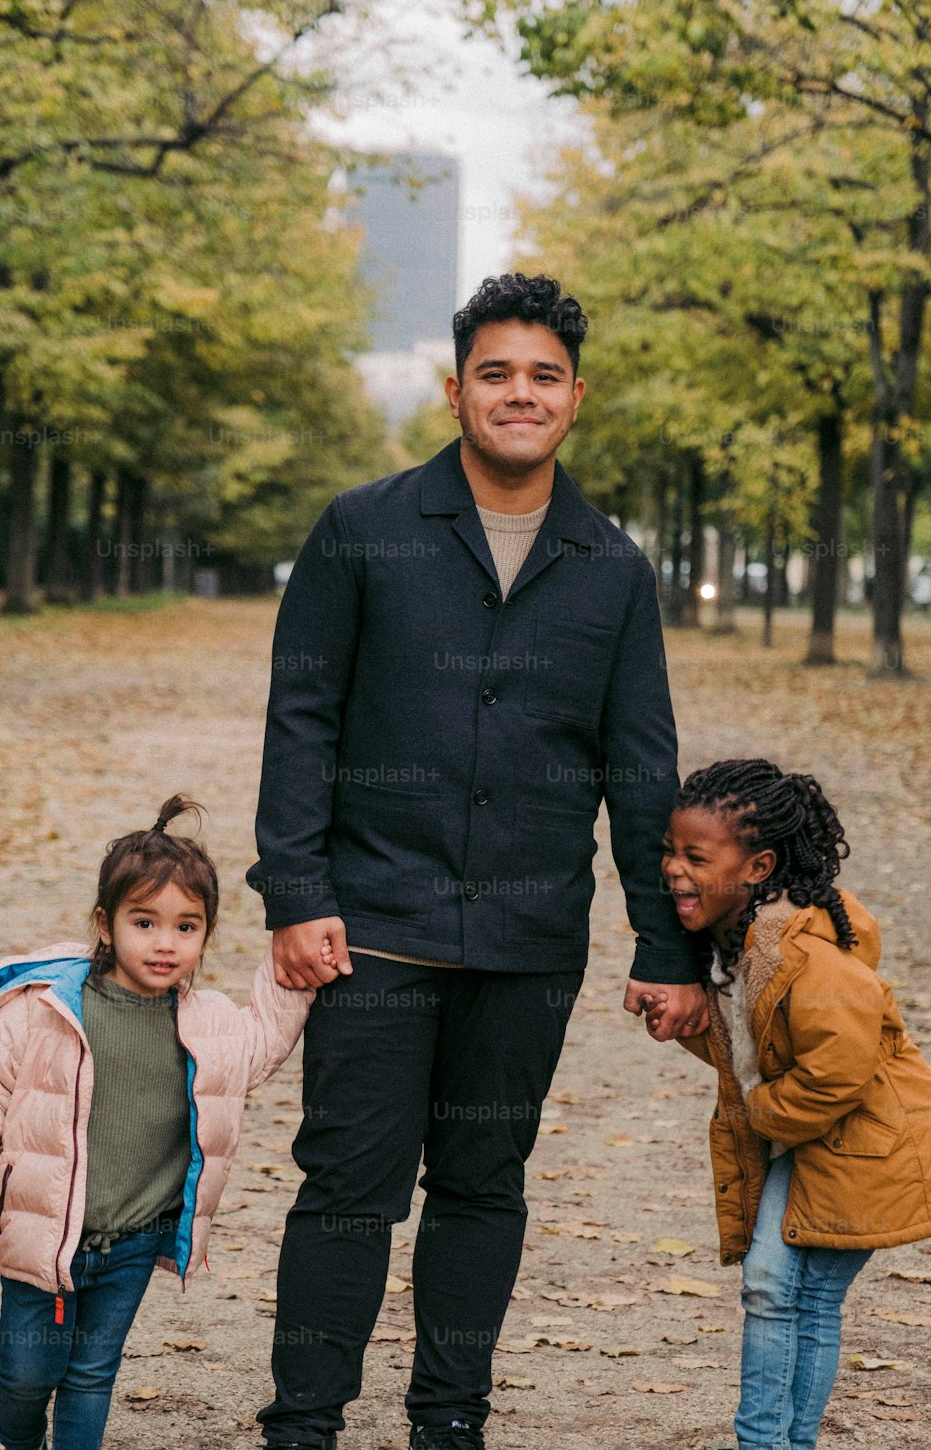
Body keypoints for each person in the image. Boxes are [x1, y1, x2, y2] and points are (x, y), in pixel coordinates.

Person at [246, 272, 708, 1450]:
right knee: (349, 1190)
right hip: (372, 930)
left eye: (542, 376)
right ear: (457, 390)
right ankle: (303, 1424)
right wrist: (294, 896)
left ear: (575, 397)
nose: (519, 393)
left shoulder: (612, 565)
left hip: (525, 941)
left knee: (481, 1189)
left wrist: (668, 942)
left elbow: (639, 766)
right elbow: (301, 719)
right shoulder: (363, 528)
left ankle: (449, 1421)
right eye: (494, 373)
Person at [0, 795, 315, 1450]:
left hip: (133, 1240)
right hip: (42, 1232)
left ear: (205, 934)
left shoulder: (207, 1027)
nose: (165, 943)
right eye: (145, 922)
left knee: (90, 1374)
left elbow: (262, 1040)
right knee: (26, 1377)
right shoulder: (45, 1013)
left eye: (186, 927)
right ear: (106, 926)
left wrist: (300, 966)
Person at [657, 759, 931, 1450]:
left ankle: (768, 1443)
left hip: (869, 1142)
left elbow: (837, 1069)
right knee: (778, 1288)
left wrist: (761, 1114)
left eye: (694, 856)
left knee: (789, 1291)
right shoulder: (733, 942)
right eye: (668, 851)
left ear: (759, 866)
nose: (673, 869)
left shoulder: (802, 957)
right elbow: (758, 1052)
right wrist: (689, 1024)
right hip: (814, 1134)